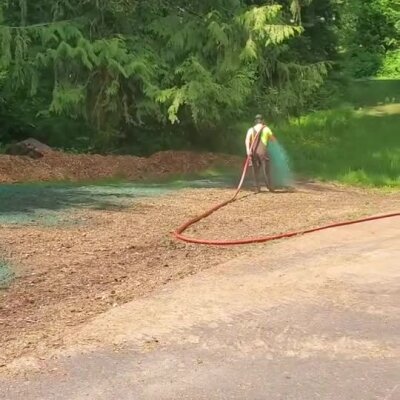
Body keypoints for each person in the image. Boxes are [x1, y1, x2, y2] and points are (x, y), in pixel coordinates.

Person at [245, 114, 275, 193]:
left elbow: (247, 140)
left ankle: (257, 188)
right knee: (266, 169)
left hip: (253, 152)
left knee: (255, 170)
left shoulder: (251, 130)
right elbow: (273, 140)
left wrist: (248, 150)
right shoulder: (266, 129)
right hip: (263, 152)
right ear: (262, 121)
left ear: (255, 121)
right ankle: (270, 187)